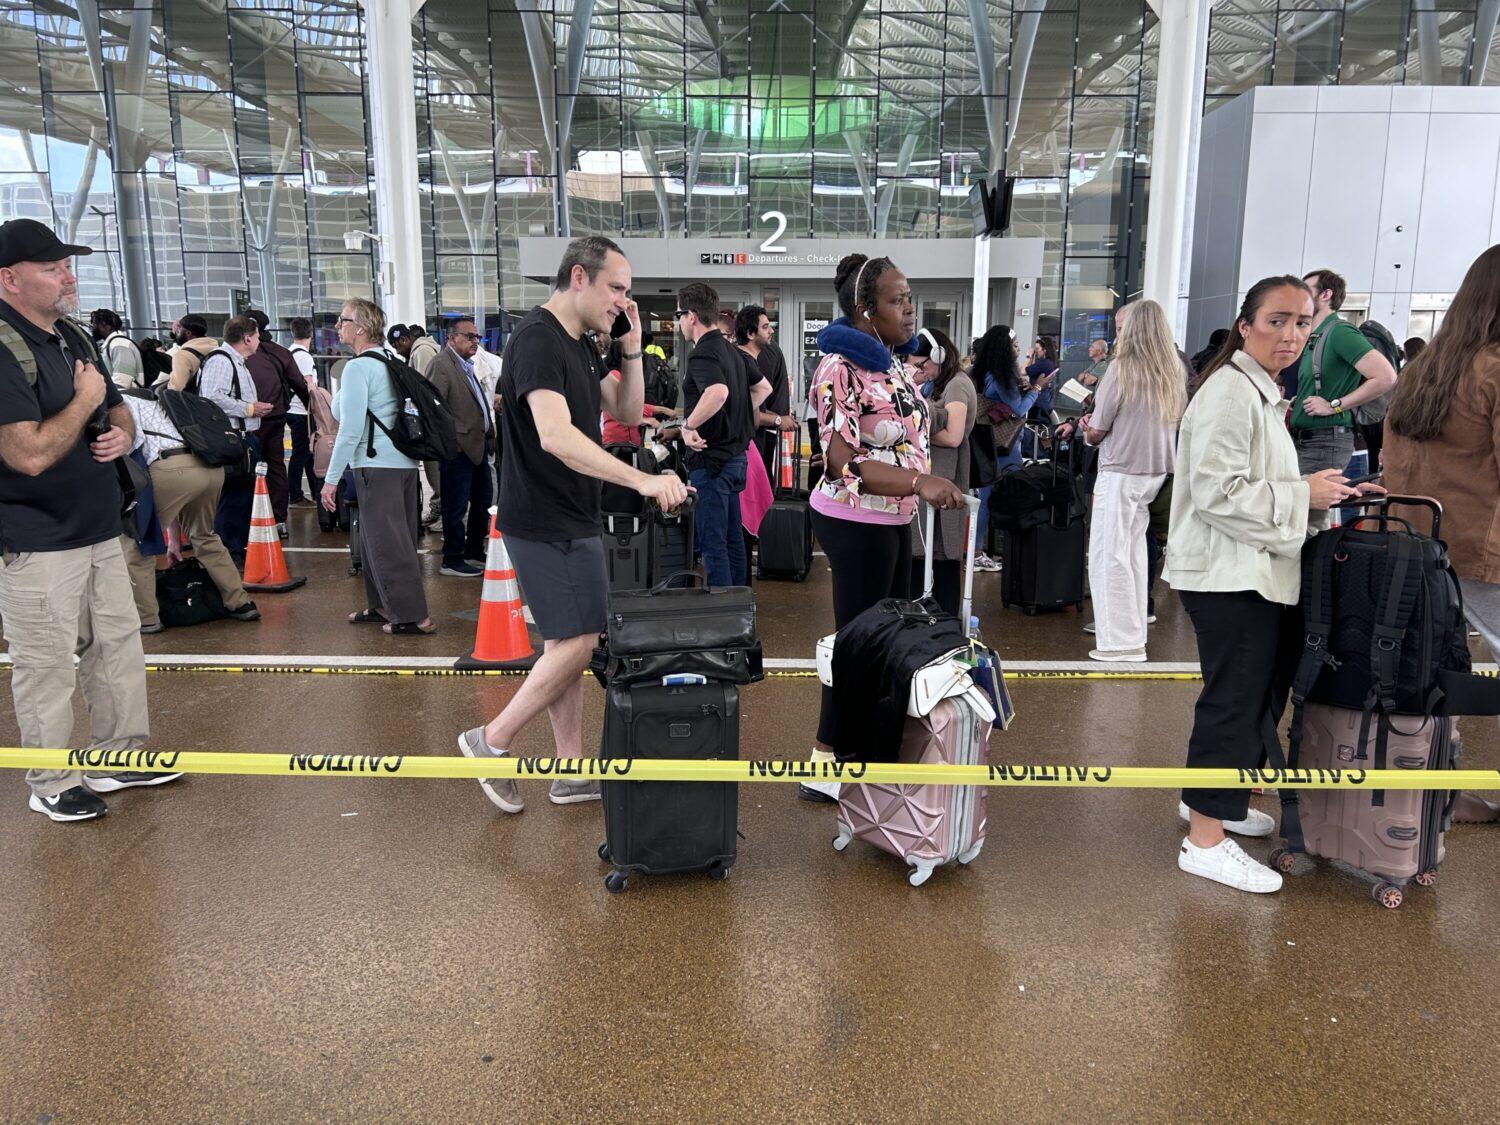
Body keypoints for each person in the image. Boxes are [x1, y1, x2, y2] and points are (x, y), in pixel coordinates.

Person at [456, 236, 688, 813]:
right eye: (617, 289)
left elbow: (628, 413)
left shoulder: (584, 344)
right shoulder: (537, 340)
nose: (622, 302)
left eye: (628, 293)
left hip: (577, 515)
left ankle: (569, 770)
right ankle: (490, 740)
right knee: (581, 640)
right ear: (578, 277)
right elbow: (555, 436)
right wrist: (641, 482)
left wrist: (631, 349)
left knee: (569, 642)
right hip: (540, 518)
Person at [1166, 275, 1380, 894]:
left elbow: (1252, 486)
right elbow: (1216, 493)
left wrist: (1326, 497)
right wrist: (1302, 494)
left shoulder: (1258, 392)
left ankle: (1211, 803)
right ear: (1246, 325)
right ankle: (1205, 838)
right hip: (1229, 573)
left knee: (1251, 695)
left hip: (1250, 568)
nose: (1291, 335)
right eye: (1277, 320)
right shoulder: (1232, 394)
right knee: (1236, 698)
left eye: (1303, 323)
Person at [0, 217, 180, 821]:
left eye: (65, 265)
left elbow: (119, 408)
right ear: (10, 279)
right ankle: (51, 778)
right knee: (47, 661)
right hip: (36, 536)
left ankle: (120, 756)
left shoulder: (70, 337)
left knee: (118, 645)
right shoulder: (4, 349)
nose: (67, 276)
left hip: (100, 526)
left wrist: (121, 435)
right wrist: (82, 402)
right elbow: (26, 454)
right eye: (51, 268)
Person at [798, 253, 964, 803]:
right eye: (897, 299)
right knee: (857, 642)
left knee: (888, 642)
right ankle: (824, 763)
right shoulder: (838, 367)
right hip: (853, 517)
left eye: (910, 297)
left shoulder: (891, 363)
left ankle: (870, 751)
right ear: (865, 310)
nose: (909, 307)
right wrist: (919, 483)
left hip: (894, 517)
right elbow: (841, 460)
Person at [1382, 243, 1500, 825]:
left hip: (1421, 544)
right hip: (1486, 553)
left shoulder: (1425, 366)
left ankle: (1434, 786)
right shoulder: (1496, 366)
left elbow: (1393, 463)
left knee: (1433, 665)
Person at [1080, 300, 1184, 663]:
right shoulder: (1171, 370)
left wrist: (1087, 429)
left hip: (1121, 468)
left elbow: (1097, 429)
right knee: (1137, 555)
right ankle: (1134, 634)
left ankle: (1118, 642)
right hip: (1156, 471)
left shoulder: (1122, 369)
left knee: (1110, 556)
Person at [320, 300, 433, 634]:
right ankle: (383, 605)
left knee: (388, 543)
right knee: (378, 540)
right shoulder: (389, 360)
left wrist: (330, 480)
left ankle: (413, 617)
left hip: (376, 465)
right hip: (402, 464)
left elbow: (350, 428)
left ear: (361, 327)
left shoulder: (358, 368)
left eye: (343, 320)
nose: (337, 326)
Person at [116, 391, 260, 632]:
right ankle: (240, 603)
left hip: (172, 470)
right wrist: (173, 540)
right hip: (210, 468)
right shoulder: (161, 402)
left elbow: (131, 444)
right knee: (204, 535)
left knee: (136, 543)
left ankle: (147, 619)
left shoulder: (120, 404)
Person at [678, 283, 772, 588]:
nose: (679, 321)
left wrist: (688, 425)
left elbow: (717, 392)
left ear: (691, 316)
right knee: (733, 542)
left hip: (712, 463)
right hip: (735, 460)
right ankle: (739, 610)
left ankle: (724, 623)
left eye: (679, 314)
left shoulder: (702, 354)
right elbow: (762, 389)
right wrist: (738, 413)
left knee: (713, 545)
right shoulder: (733, 351)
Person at [1288, 268, 1398, 475]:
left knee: (1312, 506)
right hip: (1308, 440)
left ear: (1326, 295)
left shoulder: (1340, 332)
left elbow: (1386, 376)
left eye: (1305, 290)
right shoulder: (1317, 335)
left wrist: (1333, 406)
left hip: (1325, 442)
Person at [908, 326, 974, 618]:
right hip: (939, 476)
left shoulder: (957, 385)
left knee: (943, 551)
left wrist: (914, 434)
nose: (922, 370)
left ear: (939, 355)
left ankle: (944, 619)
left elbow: (954, 436)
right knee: (929, 550)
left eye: (923, 364)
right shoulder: (941, 384)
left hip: (948, 476)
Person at [976, 323, 1054, 572]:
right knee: (1004, 495)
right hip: (1005, 446)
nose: (1018, 348)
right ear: (1004, 347)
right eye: (1014, 343)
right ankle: (983, 551)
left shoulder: (984, 371)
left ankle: (977, 550)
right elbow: (1019, 408)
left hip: (987, 441)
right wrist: (1037, 389)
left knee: (986, 496)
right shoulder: (1002, 374)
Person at [425, 318, 495, 578]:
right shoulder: (441, 365)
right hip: (458, 450)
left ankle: (473, 551)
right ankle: (452, 558)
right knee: (455, 506)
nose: (475, 341)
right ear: (451, 338)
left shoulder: (466, 366)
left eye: (477, 337)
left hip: (476, 447)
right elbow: (434, 409)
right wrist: (453, 442)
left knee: (482, 501)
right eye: (470, 336)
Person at [201, 315, 275, 558]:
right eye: (255, 337)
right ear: (246, 338)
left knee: (243, 496)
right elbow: (212, 398)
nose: (257, 342)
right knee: (234, 497)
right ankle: (229, 550)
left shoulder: (236, 362)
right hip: (232, 439)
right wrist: (250, 409)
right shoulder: (222, 361)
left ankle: (238, 546)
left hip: (243, 437)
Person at [245, 309, 310, 538]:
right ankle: (278, 519)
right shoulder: (280, 352)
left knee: (246, 468)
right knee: (275, 466)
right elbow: (300, 384)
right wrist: (312, 411)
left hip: (247, 419)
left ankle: (250, 521)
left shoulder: (239, 353)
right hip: (275, 416)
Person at [390, 324, 444, 529]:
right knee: (434, 469)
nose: (397, 350)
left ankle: (444, 513)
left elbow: (423, 390)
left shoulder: (421, 352)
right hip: (432, 421)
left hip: (431, 422)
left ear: (404, 340)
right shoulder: (422, 349)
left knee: (435, 469)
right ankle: (439, 508)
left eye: (397, 345)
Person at [736, 305, 797, 483]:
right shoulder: (744, 363)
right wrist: (779, 420)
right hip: (746, 447)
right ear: (750, 333)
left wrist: (778, 417)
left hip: (753, 445)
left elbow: (753, 407)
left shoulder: (748, 360)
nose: (771, 330)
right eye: (765, 327)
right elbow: (749, 414)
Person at [286, 317, 320, 506]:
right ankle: (296, 495)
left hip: (292, 410)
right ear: (311, 334)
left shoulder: (288, 352)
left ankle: (314, 493)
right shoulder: (304, 356)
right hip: (301, 412)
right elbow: (308, 385)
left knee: (307, 453)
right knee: (301, 454)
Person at [90, 307, 143, 389]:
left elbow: (122, 383)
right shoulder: (113, 344)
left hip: (127, 397)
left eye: (94, 324)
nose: (92, 328)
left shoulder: (119, 345)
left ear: (104, 324)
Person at [168, 313, 218, 390]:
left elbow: (176, 389)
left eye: (179, 330)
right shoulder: (217, 349)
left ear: (188, 333)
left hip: (194, 400)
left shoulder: (182, 356)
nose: (176, 333)